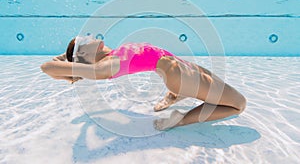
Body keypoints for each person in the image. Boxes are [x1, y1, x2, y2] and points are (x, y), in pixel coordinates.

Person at [40, 35, 246, 130]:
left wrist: (73, 54)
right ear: (85, 53)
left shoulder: (111, 54)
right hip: (181, 76)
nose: (88, 36)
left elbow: (72, 58)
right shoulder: (106, 65)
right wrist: (71, 58)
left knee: (217, 83)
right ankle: (180, 119)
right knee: (238, 104)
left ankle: (174, 96)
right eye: (84, 40)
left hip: (181, 67)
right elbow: (47, 67)